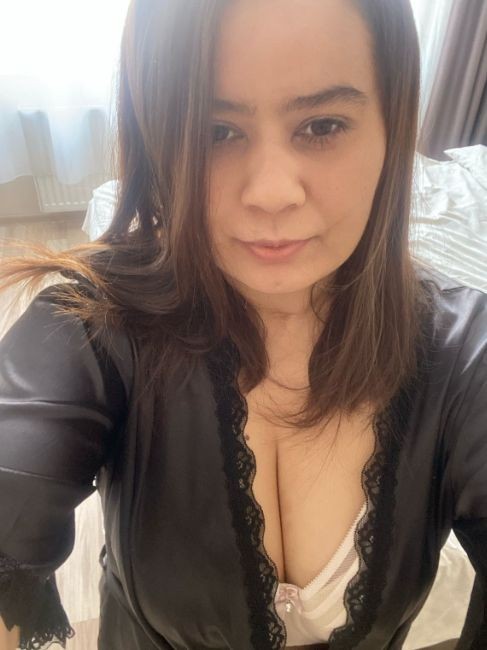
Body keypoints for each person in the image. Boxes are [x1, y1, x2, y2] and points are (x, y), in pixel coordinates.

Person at [0, 0, 486, 648]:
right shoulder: (91, 327)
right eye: (215, 132)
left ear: (391, 129)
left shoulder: (463, 354)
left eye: (322, 125)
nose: (271, 192)